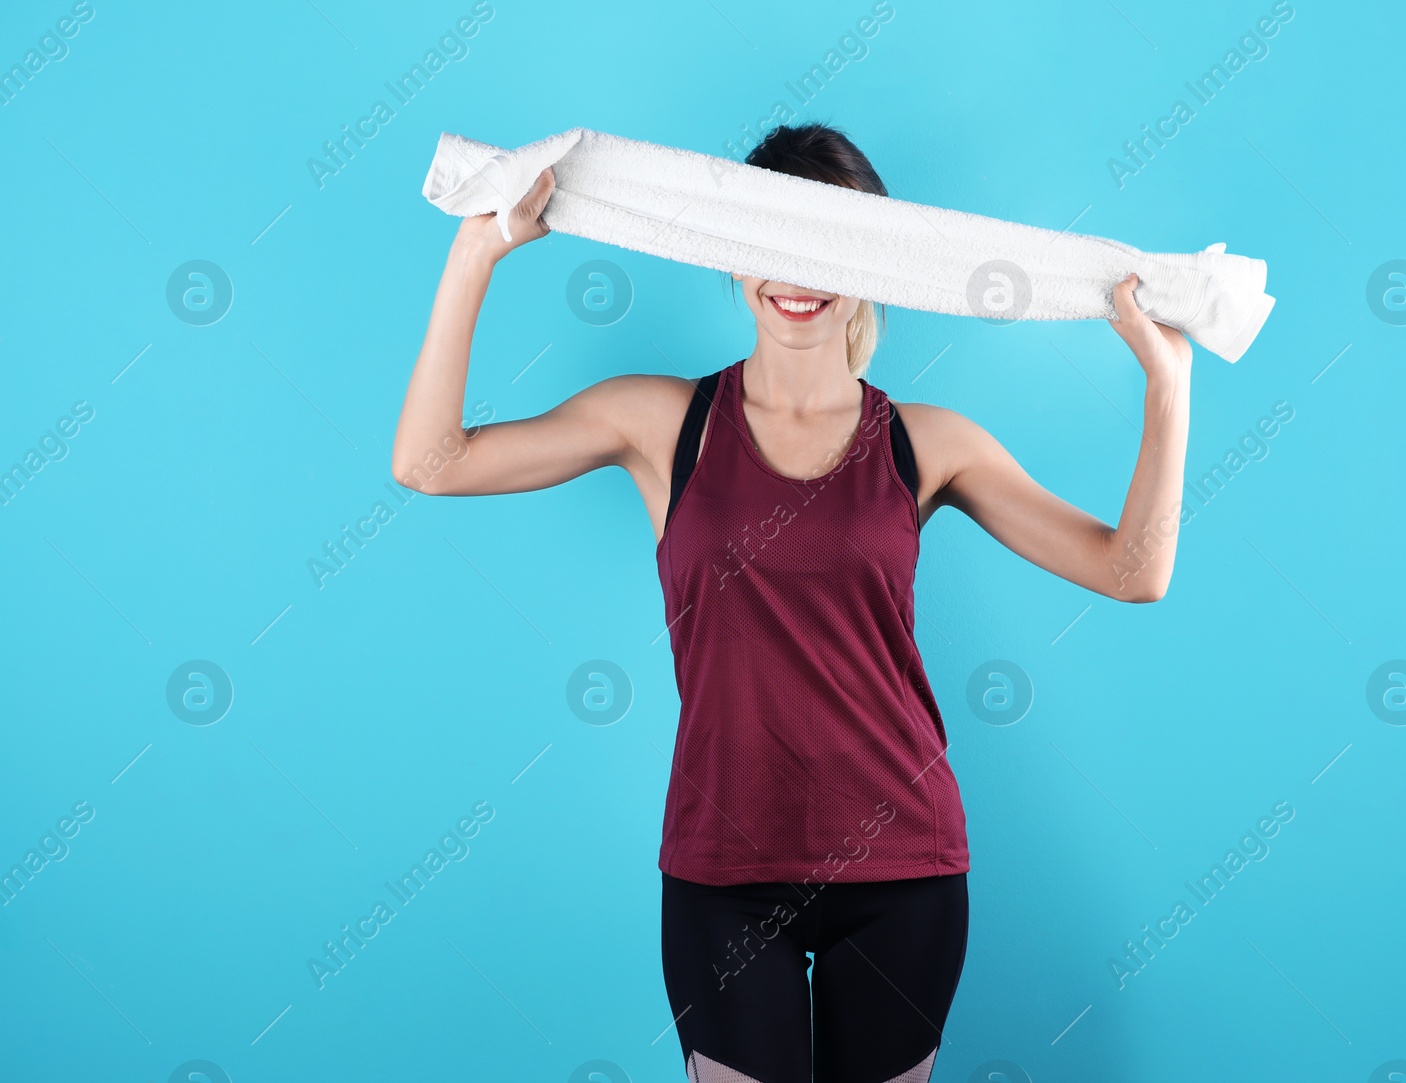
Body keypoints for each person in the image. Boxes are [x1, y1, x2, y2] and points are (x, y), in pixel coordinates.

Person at [391, 123, 1192, 1083]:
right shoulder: (661, 422)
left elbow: (1130, 570)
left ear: (871, 262)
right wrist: (475, 250)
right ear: (732, 256)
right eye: (771, 245)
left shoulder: (930, 443)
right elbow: (429, 463)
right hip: (721, 877)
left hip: (904, 870)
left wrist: (1168, 385)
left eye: (826, 246)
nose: (796, 276)